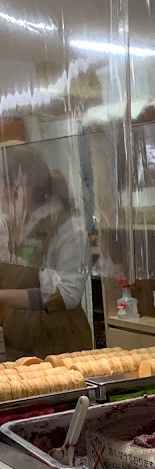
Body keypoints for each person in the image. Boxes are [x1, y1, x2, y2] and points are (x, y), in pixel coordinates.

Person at [0, 146, 92, 358]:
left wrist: (2, 296)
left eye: (12, 185)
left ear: (34, 185)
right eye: (2, 184)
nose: (4, 193)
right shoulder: (8, 227)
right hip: (18, 345)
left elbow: (66, 294)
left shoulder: (69, 228)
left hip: (60, 344)